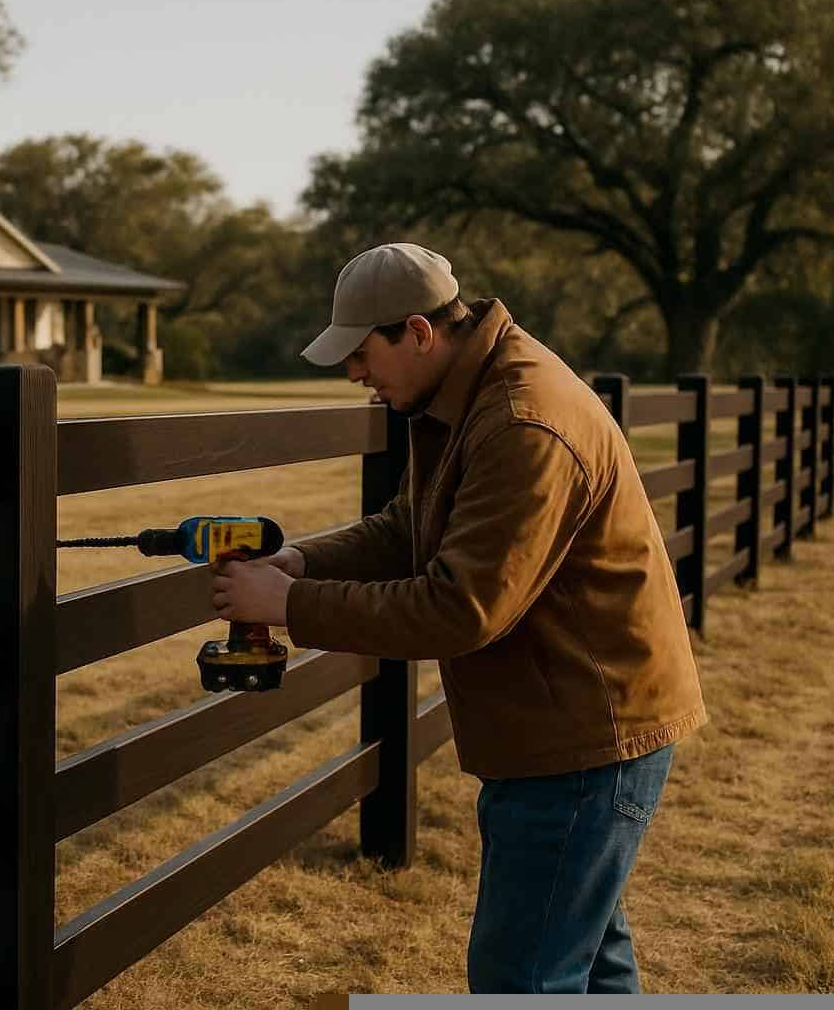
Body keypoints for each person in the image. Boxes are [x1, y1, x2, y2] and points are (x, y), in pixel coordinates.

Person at [209, 242, 707, 994]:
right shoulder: (461, 393)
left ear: (417, 330)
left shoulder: (519, 422)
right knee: (586, 966)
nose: (353, 374)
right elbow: (411, 524)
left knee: (521, 979)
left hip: (583, 741)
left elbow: (460, 608)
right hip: (565, 726)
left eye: (361, 353)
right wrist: (303, 564)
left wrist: (288, 606)